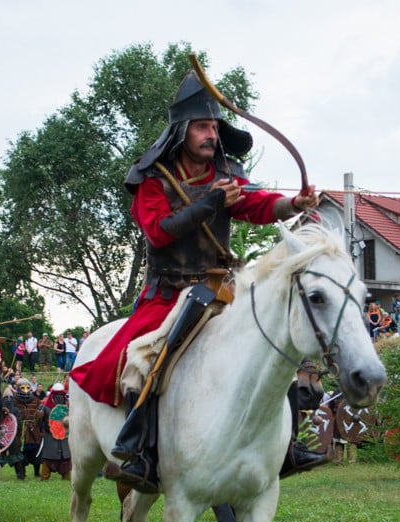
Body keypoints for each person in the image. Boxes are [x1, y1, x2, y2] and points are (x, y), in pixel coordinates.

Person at [69, 71, 325, 493]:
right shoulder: (152, 178)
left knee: (277, 346)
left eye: (214, 128)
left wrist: (292, 204)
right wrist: (209, 202)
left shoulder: (225, 171)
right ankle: (141, 451)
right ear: (182, 131)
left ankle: (287, 449)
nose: (211, 135)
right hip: (167, 294)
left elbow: (258, 203)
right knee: (139, 366)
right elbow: (158, 231)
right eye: (203, 127)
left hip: (221, 289)